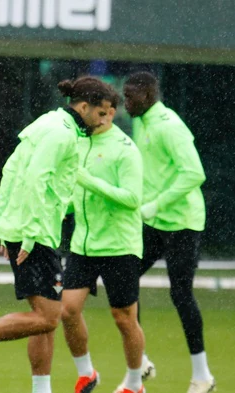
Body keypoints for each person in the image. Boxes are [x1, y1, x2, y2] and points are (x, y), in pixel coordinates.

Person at [0, 76, 113, 393]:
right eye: (101, 112)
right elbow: (36, 179)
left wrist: (6, 225)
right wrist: (29, 233)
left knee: (44, 315)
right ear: (83, 106)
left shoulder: (49, 124)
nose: (104, 120)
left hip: (27, 228)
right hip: (35, 234)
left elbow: (12, 169)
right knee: (50, 318)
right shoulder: (61, 134)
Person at [123, 72, 214, 393]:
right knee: (124, 279)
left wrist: (155, 205)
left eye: (130, 97)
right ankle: (140, 358)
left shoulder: (169, 126)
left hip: (183, 223)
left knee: (180, 294)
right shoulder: (141, 121)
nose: (125, 102)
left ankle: (203, 377)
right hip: (153, 221)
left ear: (147, 97)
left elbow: (194, 173)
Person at [60, 89, 148, 393]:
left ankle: (135, 383)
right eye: (99, 109)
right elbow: (76, 194)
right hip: (83, 245)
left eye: (109, 110)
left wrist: (88, 181)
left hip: (119, 246)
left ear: (112, 113)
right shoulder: (78, 141)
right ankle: (87, 373)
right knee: (68, 310)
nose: (104, 115)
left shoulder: (126, 149)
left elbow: (133, 198)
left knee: (124, 319)